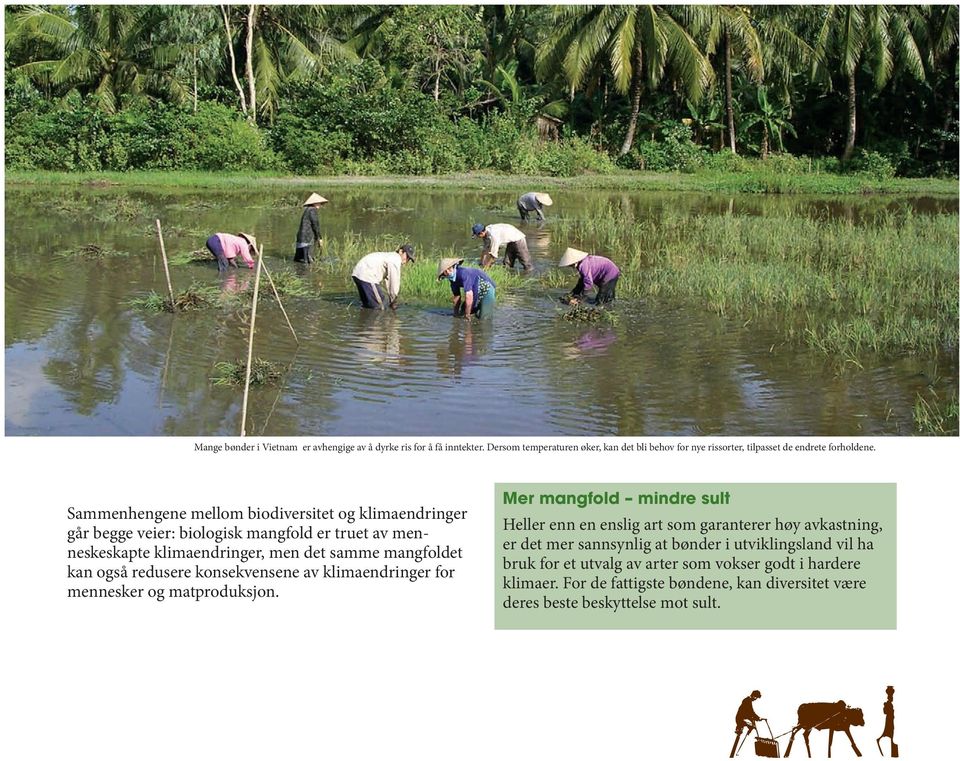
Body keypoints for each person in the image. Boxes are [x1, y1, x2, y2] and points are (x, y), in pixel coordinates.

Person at [351, 244, 415, 310]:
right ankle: (378, 320)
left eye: (409, 259)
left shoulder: (390, 256)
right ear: (401, 251)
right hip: (367, 276)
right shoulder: (396, 259)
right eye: (407, 256)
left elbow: (388, 280)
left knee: (368, 305)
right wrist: (393, 301)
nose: (406, 261)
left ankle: (364, 319)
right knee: (381, 307)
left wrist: (391, 298)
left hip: (357, 274)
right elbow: (394, 282)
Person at [730, 690, 764, 758]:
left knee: (752, 726)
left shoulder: (748, 701)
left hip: (743, 719)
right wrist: (758, 718)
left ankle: (744, 730)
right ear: (754, 696)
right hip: (740, 719)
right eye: (756, 697)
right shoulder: (747, 701)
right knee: (752, 726)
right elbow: (750, 712)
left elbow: (750, 713)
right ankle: (740, 729)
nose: (756, 699)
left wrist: (756, 719)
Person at [295, 192, 327, 263]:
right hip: (307, 238)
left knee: (299, 260)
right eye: (319, 203)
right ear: (314, 203)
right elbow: (315, 225)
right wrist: (320, 238)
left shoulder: (307, 209)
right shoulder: (313, 210)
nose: (320, 205)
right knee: (308, 261)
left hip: (300, 237)